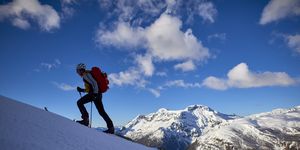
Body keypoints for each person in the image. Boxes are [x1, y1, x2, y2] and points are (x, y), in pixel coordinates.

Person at [76, 63, 114, 134]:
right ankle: (111, 128)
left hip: (94, 94)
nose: (77, 73)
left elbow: (94, 83)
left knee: (79, 102)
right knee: (101, 111)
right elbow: (90, 88)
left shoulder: (86, 75)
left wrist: (95, 94)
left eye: (77, 71)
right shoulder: (87, 74)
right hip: (98, 94)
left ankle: (85, 120)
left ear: (80, 70)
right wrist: (82, 90)